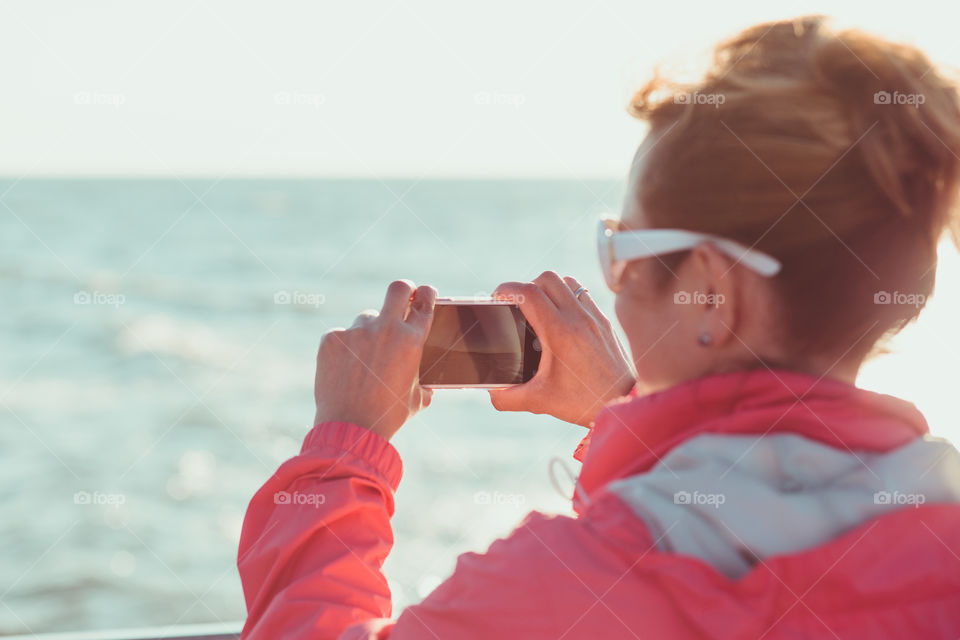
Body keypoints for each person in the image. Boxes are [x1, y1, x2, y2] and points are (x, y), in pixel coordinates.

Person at [237, 15, 960, 639]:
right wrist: (624, 413)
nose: (611, 283)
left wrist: (346, 446)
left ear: (710, 292)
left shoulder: (563, 590)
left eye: (623, 250)